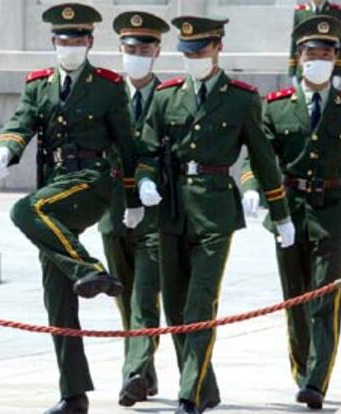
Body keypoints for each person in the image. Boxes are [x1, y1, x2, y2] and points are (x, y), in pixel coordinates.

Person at [133, 15, 295, 414]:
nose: (192, 59)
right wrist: (145, 182)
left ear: (218, 47)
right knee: (173, 306)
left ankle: (190, 394)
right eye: (186, 53)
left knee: (200, 304)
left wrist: (281, 213)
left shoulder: (241, 97)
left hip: (215, 209)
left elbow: (262, 158)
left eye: (200, 51)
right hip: (170, 210)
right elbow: (147, 151)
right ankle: (206, 385)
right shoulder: (167, 95)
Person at [0, 3, 139, 413]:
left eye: (77, 40)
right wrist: (7, 148)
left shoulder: (108, 86)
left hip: (91, 182)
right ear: (52, 42)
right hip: (54, 187)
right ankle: (73, 394)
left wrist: (132, 199)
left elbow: (127, 146)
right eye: (62, 40)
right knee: (57, 293)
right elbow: (21, 122)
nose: (69, 46)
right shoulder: (38, 85)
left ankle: (90, 270)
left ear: (89, 42)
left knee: (24, 211)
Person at [242, 15, 341, 410]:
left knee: (324, 300)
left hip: (331, 214)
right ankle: (302, 371)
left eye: (327, 53)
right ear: (298, 58)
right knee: (295, 299)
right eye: (311, 53)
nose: (319, 59)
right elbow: (258, 157)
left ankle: (316, 380)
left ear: (336, 59)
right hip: (290, 213)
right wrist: (251, 190)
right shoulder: (277, 106)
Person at [98, 11, 169, 407]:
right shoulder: (106, 95)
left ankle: (135, 372)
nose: (137, 55)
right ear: (120, 50)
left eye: (144, 48)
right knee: (125, 298)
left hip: (155, 217)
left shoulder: (169, 95)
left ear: (157, 50)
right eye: (130, 49)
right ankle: (147, 371)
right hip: (112, 212)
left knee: (145, 297)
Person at [288, 1, 341, 87]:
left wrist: (338, 72)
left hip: (327, 68)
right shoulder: (300, 11)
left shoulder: (337, 11)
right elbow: (295, 42)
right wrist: (292, 70)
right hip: (304, 68)